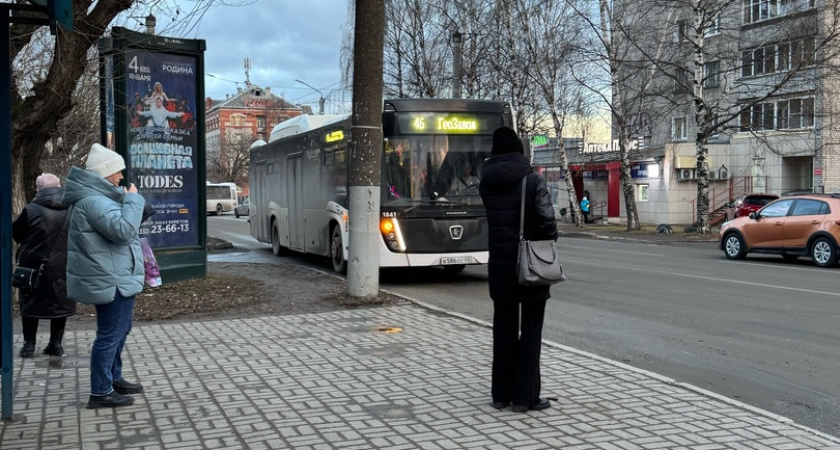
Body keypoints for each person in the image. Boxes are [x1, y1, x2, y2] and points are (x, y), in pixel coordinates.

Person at [478, 126, 558, 413]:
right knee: (531, 331)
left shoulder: (484, 182)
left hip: (500, 268)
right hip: (531, 268)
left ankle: (501, 395)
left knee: (503, 330)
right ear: (520, 152)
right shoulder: (532, 181)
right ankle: (526, 397)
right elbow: (547, 223)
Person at [62, 143, 146, 409]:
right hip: (111, 279)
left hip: (114, 275)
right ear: (104, 173)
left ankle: (113, 378)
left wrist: (126, 205)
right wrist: (133, 200)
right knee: (110, 334)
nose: (121, 177)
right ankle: (100, 391)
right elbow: (122, 230)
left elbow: (116, 229)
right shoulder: (94, 201)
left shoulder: (96, 199)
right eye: (117, 172)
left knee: (120, 329)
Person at [12, 173, 75, 358]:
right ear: (58, 186)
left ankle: (28, 345)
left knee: (30, 303)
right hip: (63, 263)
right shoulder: (70, 208)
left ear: (39, 189)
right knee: (59, 302)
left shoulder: (30, 209)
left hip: (33, 266)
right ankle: (55, 344)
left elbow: (16, 234)